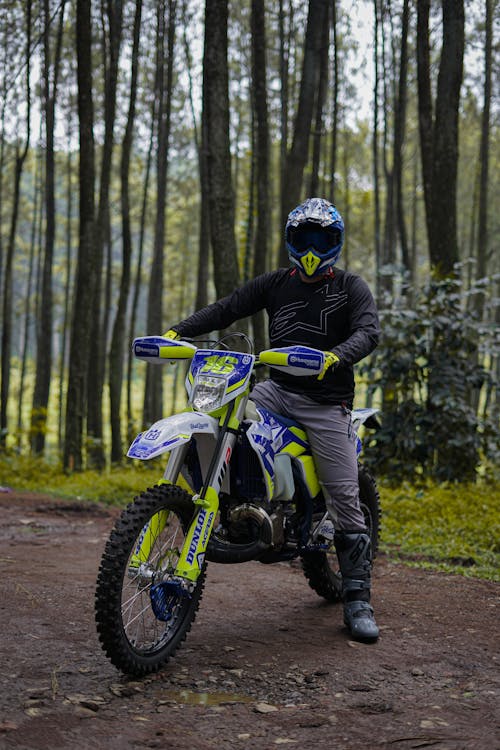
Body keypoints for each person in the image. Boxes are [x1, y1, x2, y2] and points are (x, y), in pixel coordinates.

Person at [164, 197, 380, 642]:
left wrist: (336, 357)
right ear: (291, 241)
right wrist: (180, 330)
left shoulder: (351, 287)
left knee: (343, 491)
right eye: (305, 239)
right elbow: (228, 308)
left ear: (335, 243)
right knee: (225, 413)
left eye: (322, 240)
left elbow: (369, 331)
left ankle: (357, 599)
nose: (313, 248)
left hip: (326, 403)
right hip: (276, 391)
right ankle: (234, 503)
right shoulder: (275, 283)